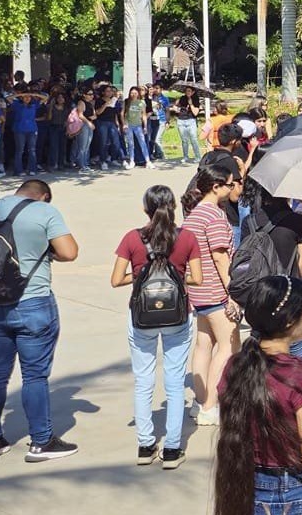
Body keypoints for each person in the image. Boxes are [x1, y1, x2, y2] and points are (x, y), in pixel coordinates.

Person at [214, 275, 302, 515]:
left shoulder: (235, 366)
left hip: (245, 486)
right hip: (293, 491)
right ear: (289, 321)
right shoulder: (298, 373)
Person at [0, 179, 81, 463]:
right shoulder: (44, 212)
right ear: (43, 196)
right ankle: (41, 442)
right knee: (34, 375)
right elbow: (69, 252)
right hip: (33, 301)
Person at [110, 185, 202, 468]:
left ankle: (145, 444)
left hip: (142, 317)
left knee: (143, 380)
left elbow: (115, 280)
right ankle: (172, 450)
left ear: (145, 208)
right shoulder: (186, 238)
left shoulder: (132, 238)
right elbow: (196, 279)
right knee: (175, 383)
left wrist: (139, 277)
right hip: (177, 315)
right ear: (174, 206)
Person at [184, 160, 242, 426]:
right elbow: (221, 258)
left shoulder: (194, 214)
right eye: (230, 184)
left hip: (197, 291)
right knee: (229, 346)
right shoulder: (215, 216)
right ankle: (210, 405)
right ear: (217, 186)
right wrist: (233, 292)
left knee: (204, 345)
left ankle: (200, 401)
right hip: (216, 291)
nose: (233, 188)